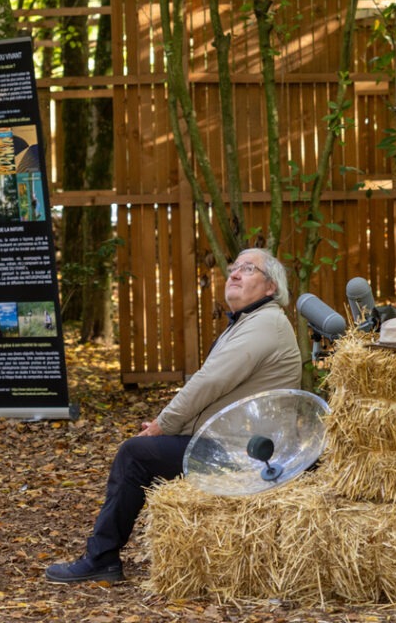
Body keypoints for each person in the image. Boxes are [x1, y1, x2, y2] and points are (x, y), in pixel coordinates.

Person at [44, 248, 303, 584]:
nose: (235, 274)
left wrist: (163, 426)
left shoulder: (265, 323)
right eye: (234, 267)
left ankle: (101, 558)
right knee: (143, 451)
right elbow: (217, 391)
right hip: (235, 442)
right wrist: (169, 428)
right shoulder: (251, 321)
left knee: (134, 454)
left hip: (245, 454)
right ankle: (102, 555)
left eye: (248, 269)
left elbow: (209, 382)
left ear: (271, 287)